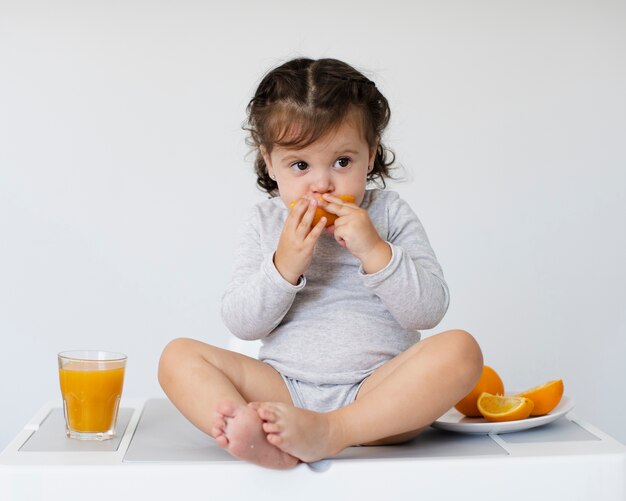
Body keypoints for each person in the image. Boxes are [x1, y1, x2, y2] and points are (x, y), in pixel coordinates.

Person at [158, 57, 483, 470]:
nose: (323, 183)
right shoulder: (265, 222)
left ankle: (333, 431)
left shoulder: (389, 213)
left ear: (371, 156)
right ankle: (252, 432)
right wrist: (283, 267)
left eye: (342, 162)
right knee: (177, 357)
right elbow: (243, 324)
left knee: (462, 350)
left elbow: (429, 312)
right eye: (300, 165)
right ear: (270, 163)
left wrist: (374, 251)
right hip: (283, 390)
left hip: (378, 396)